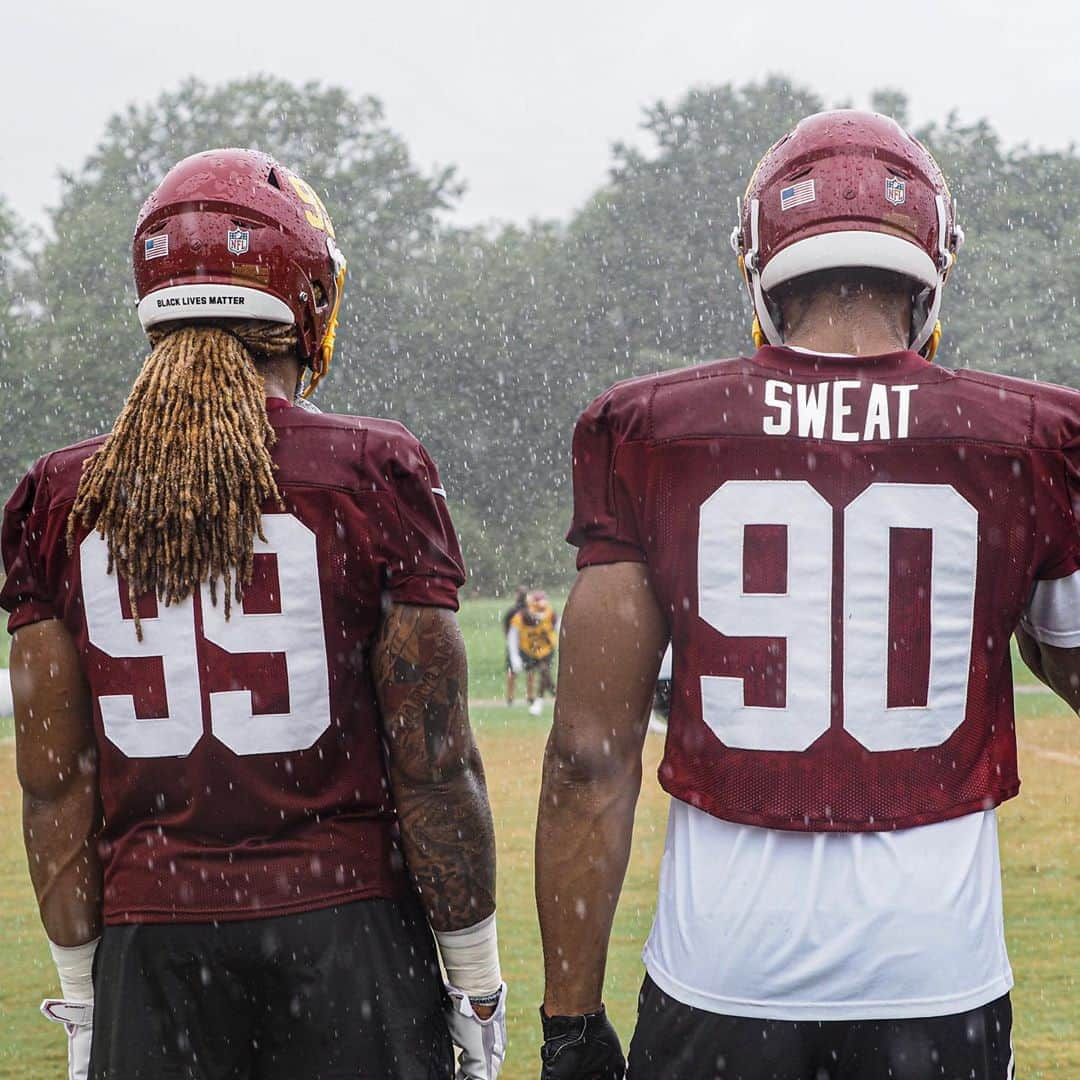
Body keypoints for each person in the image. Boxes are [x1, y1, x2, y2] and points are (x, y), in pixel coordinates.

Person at [535, 110, 1080, 1080]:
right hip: (935, 977)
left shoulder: (652, 432)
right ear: (931, 266)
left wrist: (570, 1025)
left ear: (761, 266)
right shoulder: (1032, 441)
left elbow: (587, 758)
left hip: (722, 977)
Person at [3, 148, 506, 1080]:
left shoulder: (57, 495)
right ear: (305, 297)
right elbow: (433, 763)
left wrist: (82, 995)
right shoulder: (369, 471)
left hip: (155, 949)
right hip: (345, 930)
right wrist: (473, 976)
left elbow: (54, 785)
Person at [508, 590, 559, 716]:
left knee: (544, 670)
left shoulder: (551, 614)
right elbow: (512, 636)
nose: (540, 614)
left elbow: (562, 628)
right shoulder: (521, 617)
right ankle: (555, 692)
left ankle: (540, 701)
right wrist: (514, 657)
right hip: (529, 650)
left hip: (547, 648)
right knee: (541, 673)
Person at [503, 585, 529, 705]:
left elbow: (506, 626)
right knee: (530, 670)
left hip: (517, 644)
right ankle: (530, 696)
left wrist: (509, 638)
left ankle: (510, 697)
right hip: (528, 643)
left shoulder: (512, 611)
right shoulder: (528, 610)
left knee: (512, 671)